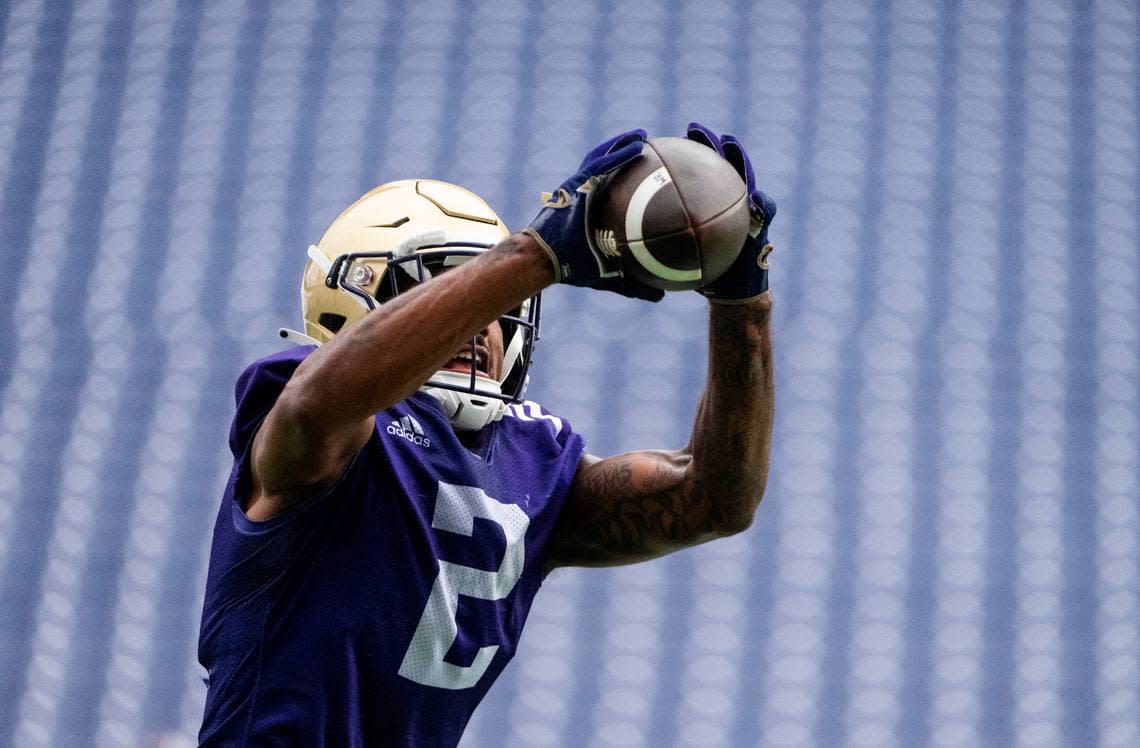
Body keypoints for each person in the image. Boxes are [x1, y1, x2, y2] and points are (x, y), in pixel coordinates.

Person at [197, 123, 776, 746]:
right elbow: (321, 403)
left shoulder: (532, 463)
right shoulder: (312, 410)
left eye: (500, 308)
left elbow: (714, 499)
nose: (485, 327)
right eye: (442, 286)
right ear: (354, 297)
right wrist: (532, 258)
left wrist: (743, 304)